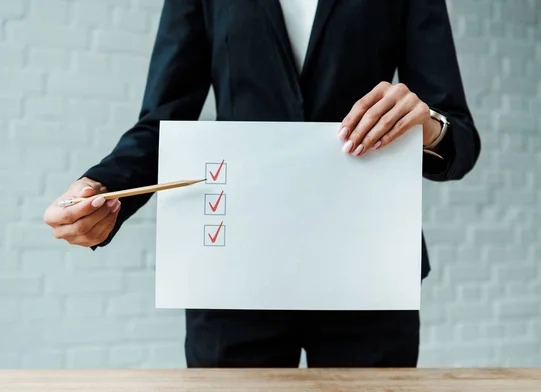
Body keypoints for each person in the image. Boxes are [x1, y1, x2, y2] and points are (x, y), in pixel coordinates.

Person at [44, 0, 480, 368]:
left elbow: (460, 137)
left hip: (367, 270)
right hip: (234, 271)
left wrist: (429, 125)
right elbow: (164, 122)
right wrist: (98, 187)